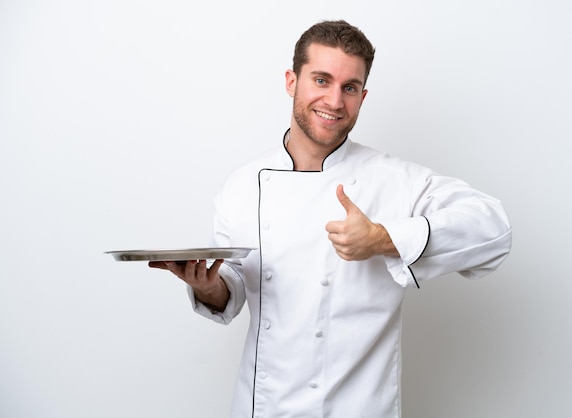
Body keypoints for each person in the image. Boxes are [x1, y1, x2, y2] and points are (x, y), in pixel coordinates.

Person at [150, 20, 511, 418]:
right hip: (261, 408)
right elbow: (233, 290)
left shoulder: (392, 179)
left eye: (349, 87)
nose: (335, 101)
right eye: (321, 80)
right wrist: (208, 287)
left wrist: (383, 239)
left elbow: (493, 229)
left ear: (363, 95)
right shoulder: (241, 185)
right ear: (292, 81)